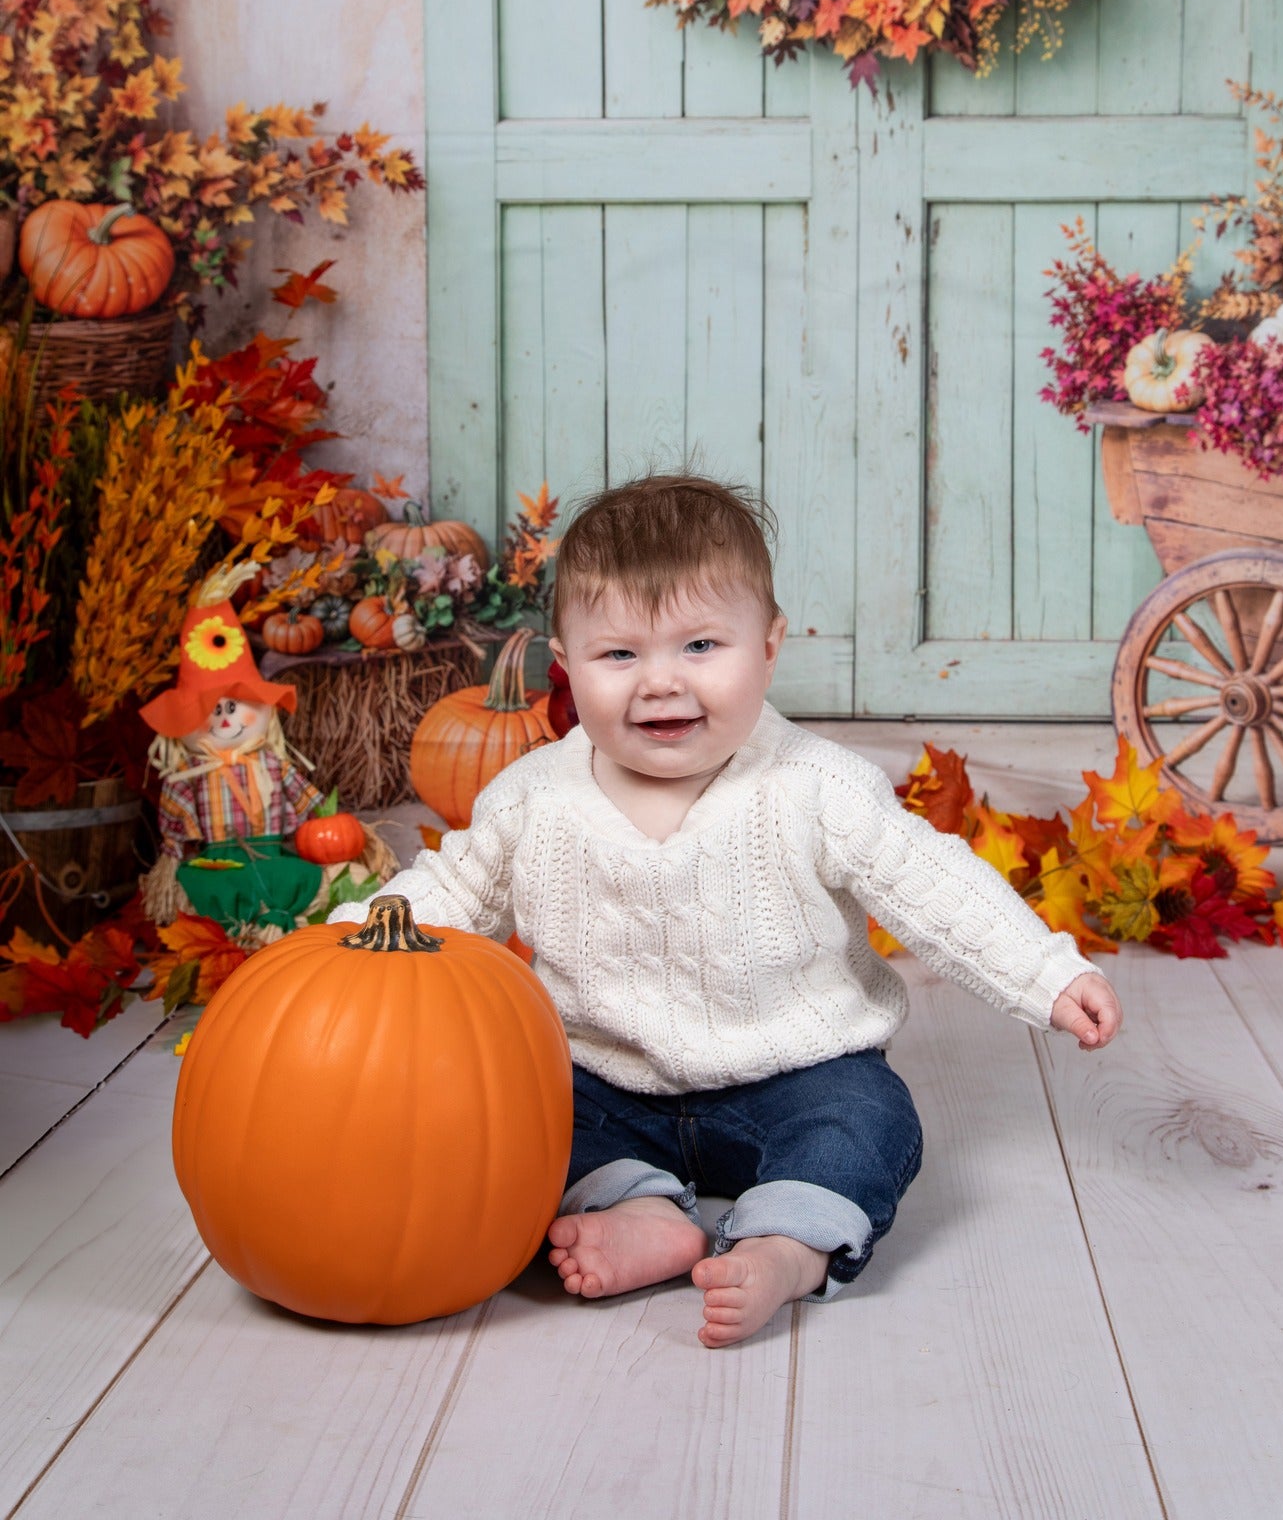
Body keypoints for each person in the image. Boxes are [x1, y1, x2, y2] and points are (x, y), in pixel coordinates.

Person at [332, 473, 1121, 1348]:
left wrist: (1043, 973)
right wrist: (344, 950)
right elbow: (448, 894)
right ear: (565, 663)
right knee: (509, 1121)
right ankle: (636, 1209)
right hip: (601, 1077)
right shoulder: (533, 797)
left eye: (701, 645)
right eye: (619, 655)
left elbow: (930, 881)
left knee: (867, 1121)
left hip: (794, 1072)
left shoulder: (816, 787)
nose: (660, 684)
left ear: (769, 646)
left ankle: (786, 1242)